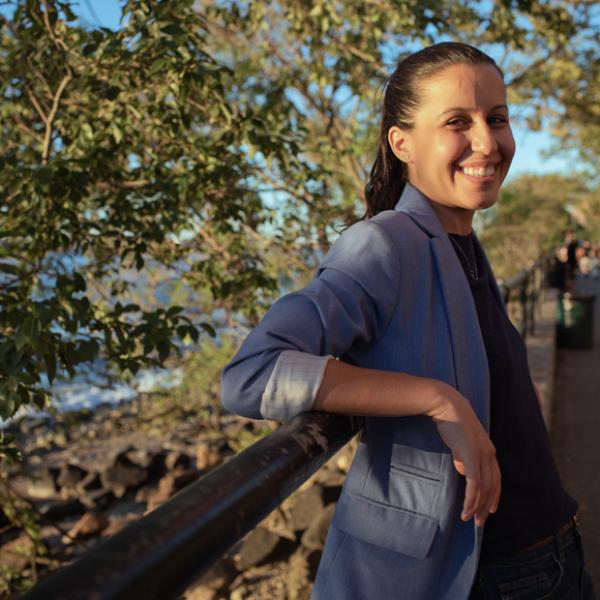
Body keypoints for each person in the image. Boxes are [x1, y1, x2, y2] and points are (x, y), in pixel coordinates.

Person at [221, 42, 595, 599]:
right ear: (403, 143)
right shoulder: (385, 245)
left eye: (497, 119)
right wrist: (436, 398)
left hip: (556, 553)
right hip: (498, 577)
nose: (488, 142)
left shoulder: (461, 243)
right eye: (457, 122)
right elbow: (252, 373)